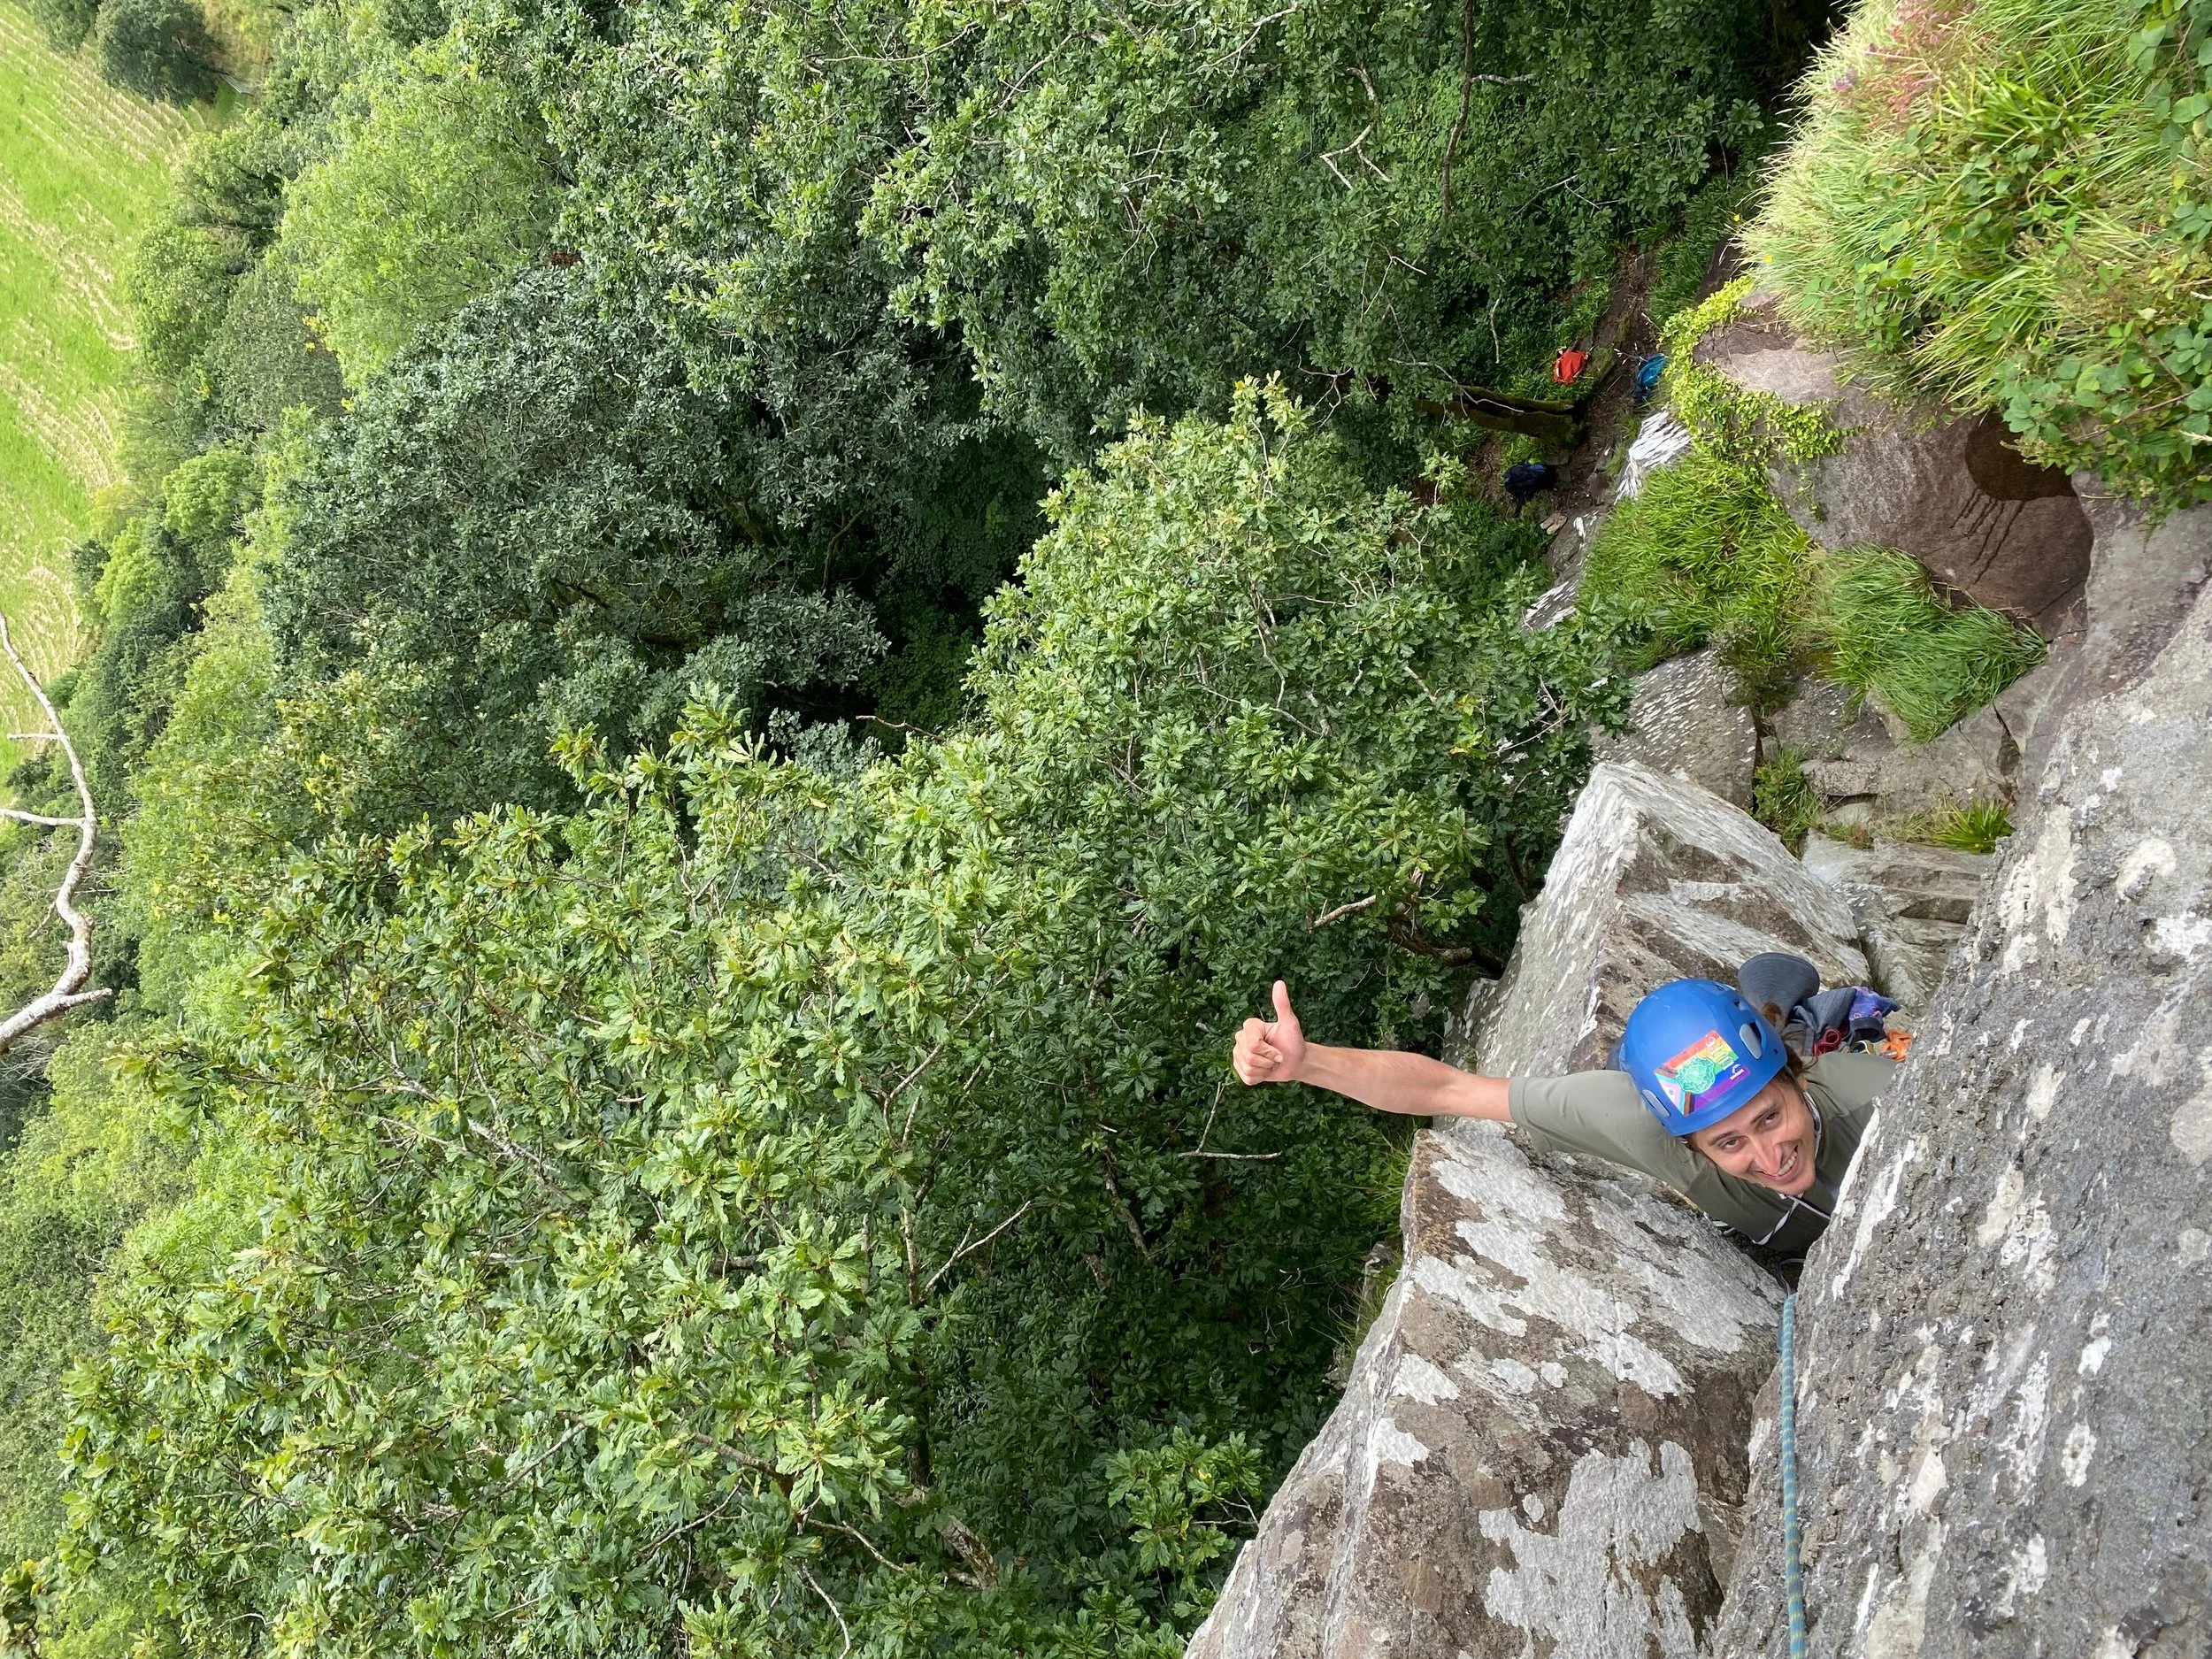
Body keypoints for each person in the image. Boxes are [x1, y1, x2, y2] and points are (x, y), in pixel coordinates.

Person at [1232, 972, 1898, 1252]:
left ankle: (1789, 1012)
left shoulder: (1879, 1103)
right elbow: (1451, 1090)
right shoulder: (1647, 1125)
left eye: (1769, 1117)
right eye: (1727, 1142)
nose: (1766, 1154)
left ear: (1792, 1076)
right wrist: (1308, 1063)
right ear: (1690, 1145)